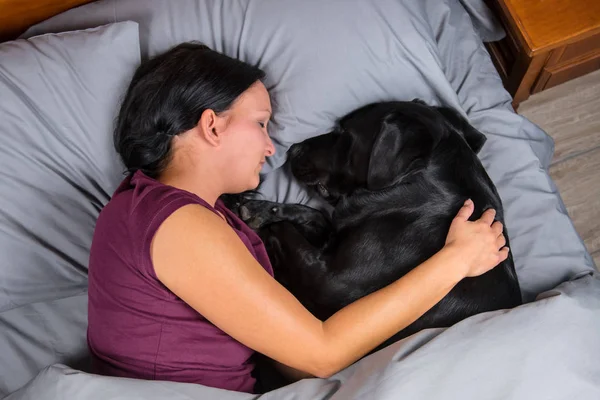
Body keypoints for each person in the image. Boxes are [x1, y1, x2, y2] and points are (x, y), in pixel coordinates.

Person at [87, 42, 509, 394]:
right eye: (261, 123)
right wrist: (455, 262)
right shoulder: (175, 222)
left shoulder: (181, 216)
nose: (272, 148)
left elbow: (297, 361)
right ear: (212, 126)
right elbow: (320, 355)